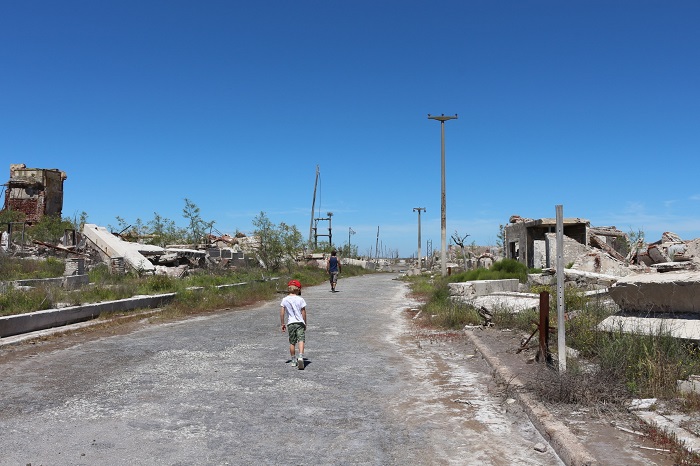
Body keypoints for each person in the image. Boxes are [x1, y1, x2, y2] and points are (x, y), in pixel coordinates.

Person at [280, 279, 306, 369]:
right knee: (301, 340)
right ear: (298, 289)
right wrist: (305, 322)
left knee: (292, 342)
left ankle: (293, 360)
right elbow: (303, 312)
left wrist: (282, 323)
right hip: (300, 323)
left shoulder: (284, 300)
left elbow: (282, 313)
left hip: (290, 323)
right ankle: (301, 356)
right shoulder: (300, 299)